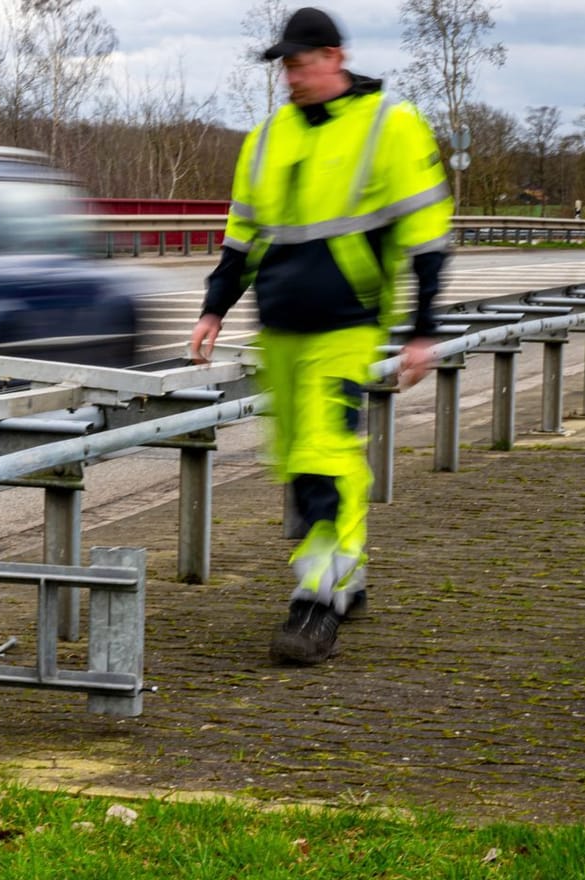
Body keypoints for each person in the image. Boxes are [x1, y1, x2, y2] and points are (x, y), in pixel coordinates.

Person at [188, 6, 452, 665]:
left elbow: (428, 234)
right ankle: (347, 572)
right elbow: (243, 235)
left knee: (326, 455)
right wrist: (215, 306)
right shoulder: (269, 137)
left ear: (334, 57)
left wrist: (424, 327)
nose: (291, 78)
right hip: (280, 325)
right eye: (286, 66)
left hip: (348, 321)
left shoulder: (389, 125)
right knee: (298, 462)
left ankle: (317, 602)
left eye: (301, 64)